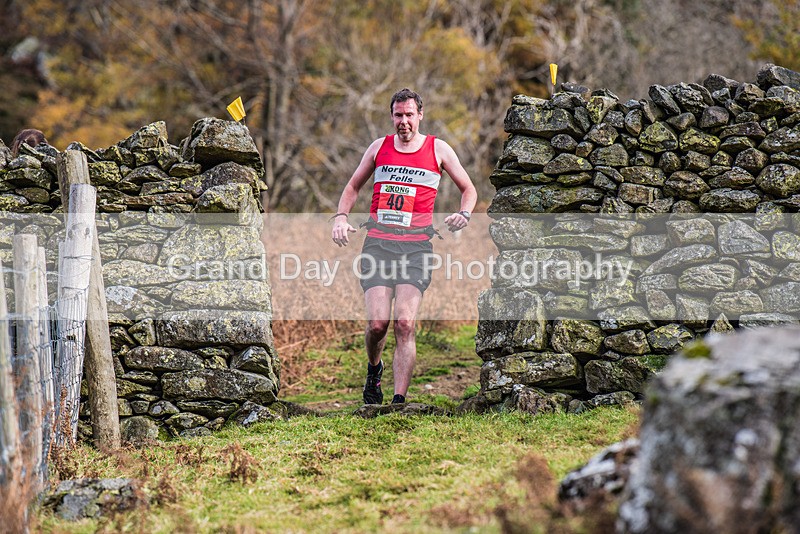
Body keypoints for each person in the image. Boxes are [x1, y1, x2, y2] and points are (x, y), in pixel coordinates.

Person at [331, 88, 477, 405]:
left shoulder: (438, 149)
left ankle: (398, 401)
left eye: (409, 115)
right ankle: (374, 369)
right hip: (378, 245)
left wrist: (464, 214)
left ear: (420, 115)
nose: (404, 121)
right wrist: (341, 217)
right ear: (392, 116)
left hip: (416, 249)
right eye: (398, 115)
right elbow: (353, 186)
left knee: (405, 323)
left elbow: (469, 189)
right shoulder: (378, 148)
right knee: (377, 325)